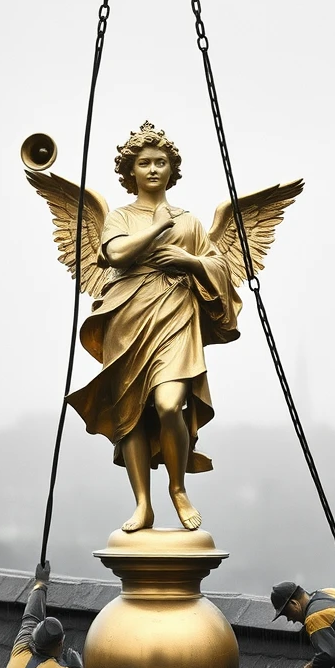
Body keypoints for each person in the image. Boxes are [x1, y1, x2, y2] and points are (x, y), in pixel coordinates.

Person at [65, 122, 243, 533]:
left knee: (167, 405)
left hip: (176, 315)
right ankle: (142, 503)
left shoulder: (191, 222)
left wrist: (190, 262)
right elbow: (114, 253)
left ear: (171, 169)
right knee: (130, 413)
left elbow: (217, 266)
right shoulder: (120, 217)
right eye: (143, 163)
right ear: (130, 171)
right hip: (127, 318)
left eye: (160, 162)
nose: (152, 169)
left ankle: (177, 489)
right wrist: (160, 226)